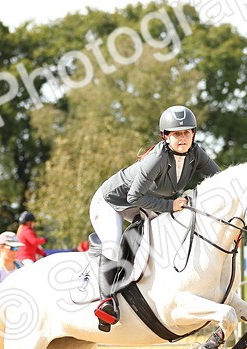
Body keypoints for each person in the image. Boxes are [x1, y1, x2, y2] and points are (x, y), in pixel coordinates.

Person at [89, 105, 221, 326]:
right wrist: (170, 206)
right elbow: (133, 198)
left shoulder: (195, 154)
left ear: (193, 134)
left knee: (168, 232)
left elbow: (220, 179)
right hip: (111, 202)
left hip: (142, 200)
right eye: (176, 133)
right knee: (113, 244)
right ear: (165, 136)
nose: (182, 138)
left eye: (187, 132)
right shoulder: (157, 159)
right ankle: (107, 302)